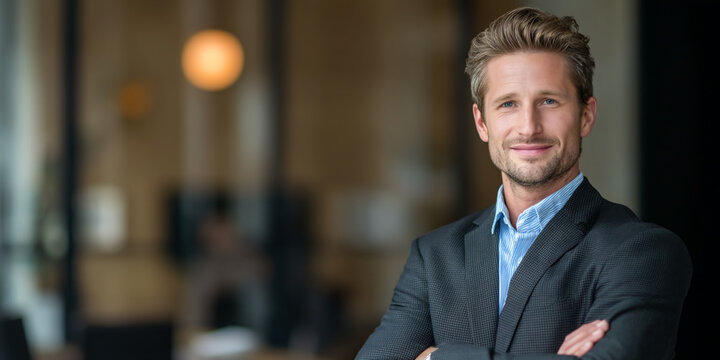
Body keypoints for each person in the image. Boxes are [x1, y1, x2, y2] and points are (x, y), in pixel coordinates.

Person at [355, 7, 692, 360]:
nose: (529, 127)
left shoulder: (641, 252)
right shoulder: (434, 256)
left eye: (548, 101)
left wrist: (434, 357)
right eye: (508, 104)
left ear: (586, 115)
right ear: (482, 123)